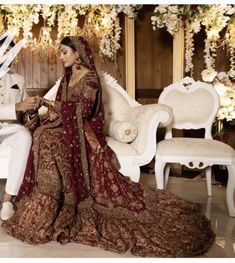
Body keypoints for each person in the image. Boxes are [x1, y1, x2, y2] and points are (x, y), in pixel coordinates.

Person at [2, 36, 215, 257]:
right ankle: (48, 199)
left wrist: (50, 104)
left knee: (48, 139)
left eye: (65, 52)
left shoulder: (91, 79)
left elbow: (82, 111)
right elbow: (61, 112)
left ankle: (56, 202)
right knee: (42, 134)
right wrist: (42, 109)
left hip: (84, 132)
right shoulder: (66, 78)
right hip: (67, 127)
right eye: (60, 52)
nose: (61, 56)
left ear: (78, 54)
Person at [0, 38, 42, 221]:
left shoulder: (18, 79)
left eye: (11, 52)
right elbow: (18, 106)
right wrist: (18, 106)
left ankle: (7, 200)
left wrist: (31, 112)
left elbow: (24, 111)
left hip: (8, 129)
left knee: (24, 136)